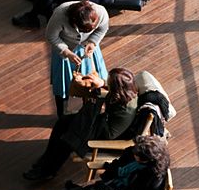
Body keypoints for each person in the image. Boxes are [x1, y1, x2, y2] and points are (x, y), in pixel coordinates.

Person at [22, 67, 175, 181]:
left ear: (117, 89)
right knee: (62, 122)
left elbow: (111, 134)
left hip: (106, 136)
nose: (106, 83)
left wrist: (98, 112)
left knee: (68, 139)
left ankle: (49, 169)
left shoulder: (126, 108)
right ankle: (46, 159)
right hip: (102, 123)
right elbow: (109, 93)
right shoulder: (123, 94)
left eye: (109, 83)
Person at [46, 0, 109, 118]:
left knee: (96, 82)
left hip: (88, 49)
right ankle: (62, 116)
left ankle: (93, 113)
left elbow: (102, 29)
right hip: (65, 50)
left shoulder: (101, 12)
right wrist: (67, 52)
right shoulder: (60, 15)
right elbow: (51, 36)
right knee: (63, 85)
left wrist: (93, 42)